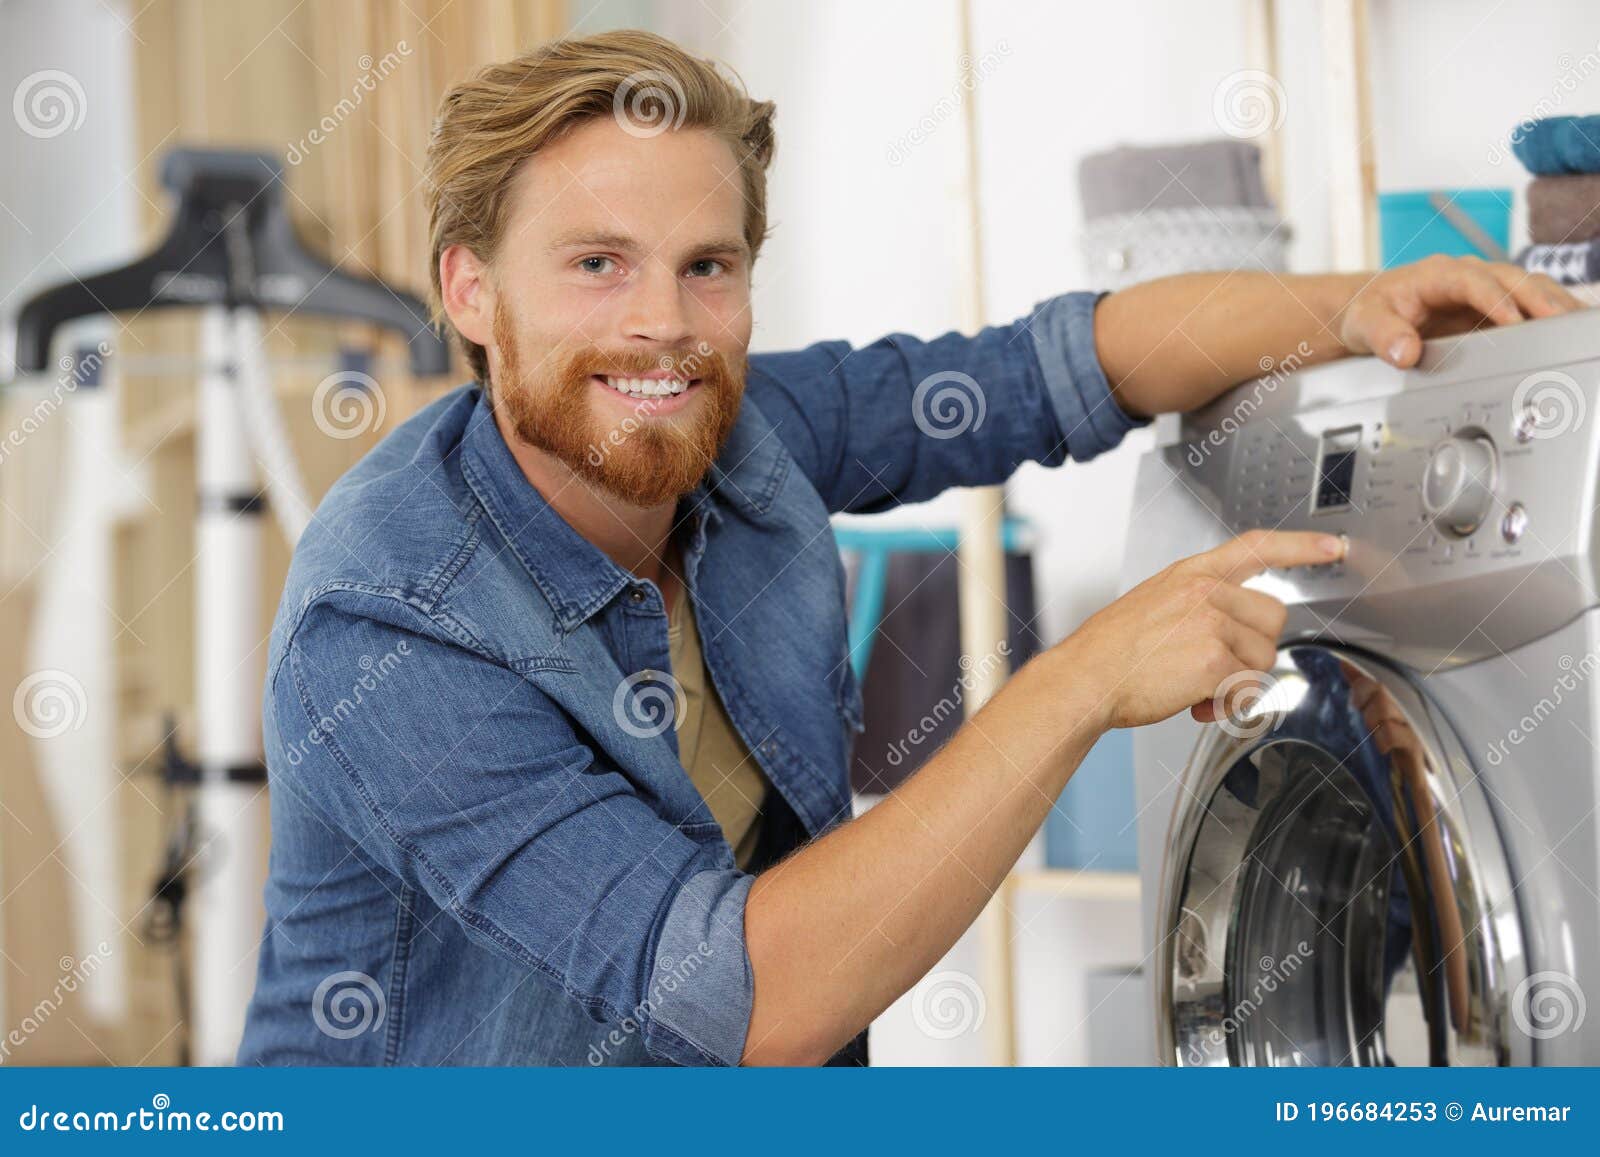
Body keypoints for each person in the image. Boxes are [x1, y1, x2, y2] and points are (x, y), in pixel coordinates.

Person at [237, 29, 1580, 1066]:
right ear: (470, 290)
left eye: (708, 265)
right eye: (597, 264)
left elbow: (1060, 367)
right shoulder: (391, 624)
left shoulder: (741, 430)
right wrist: (1080, 679)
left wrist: (1350, 307)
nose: (665, 324)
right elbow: (746, 998)